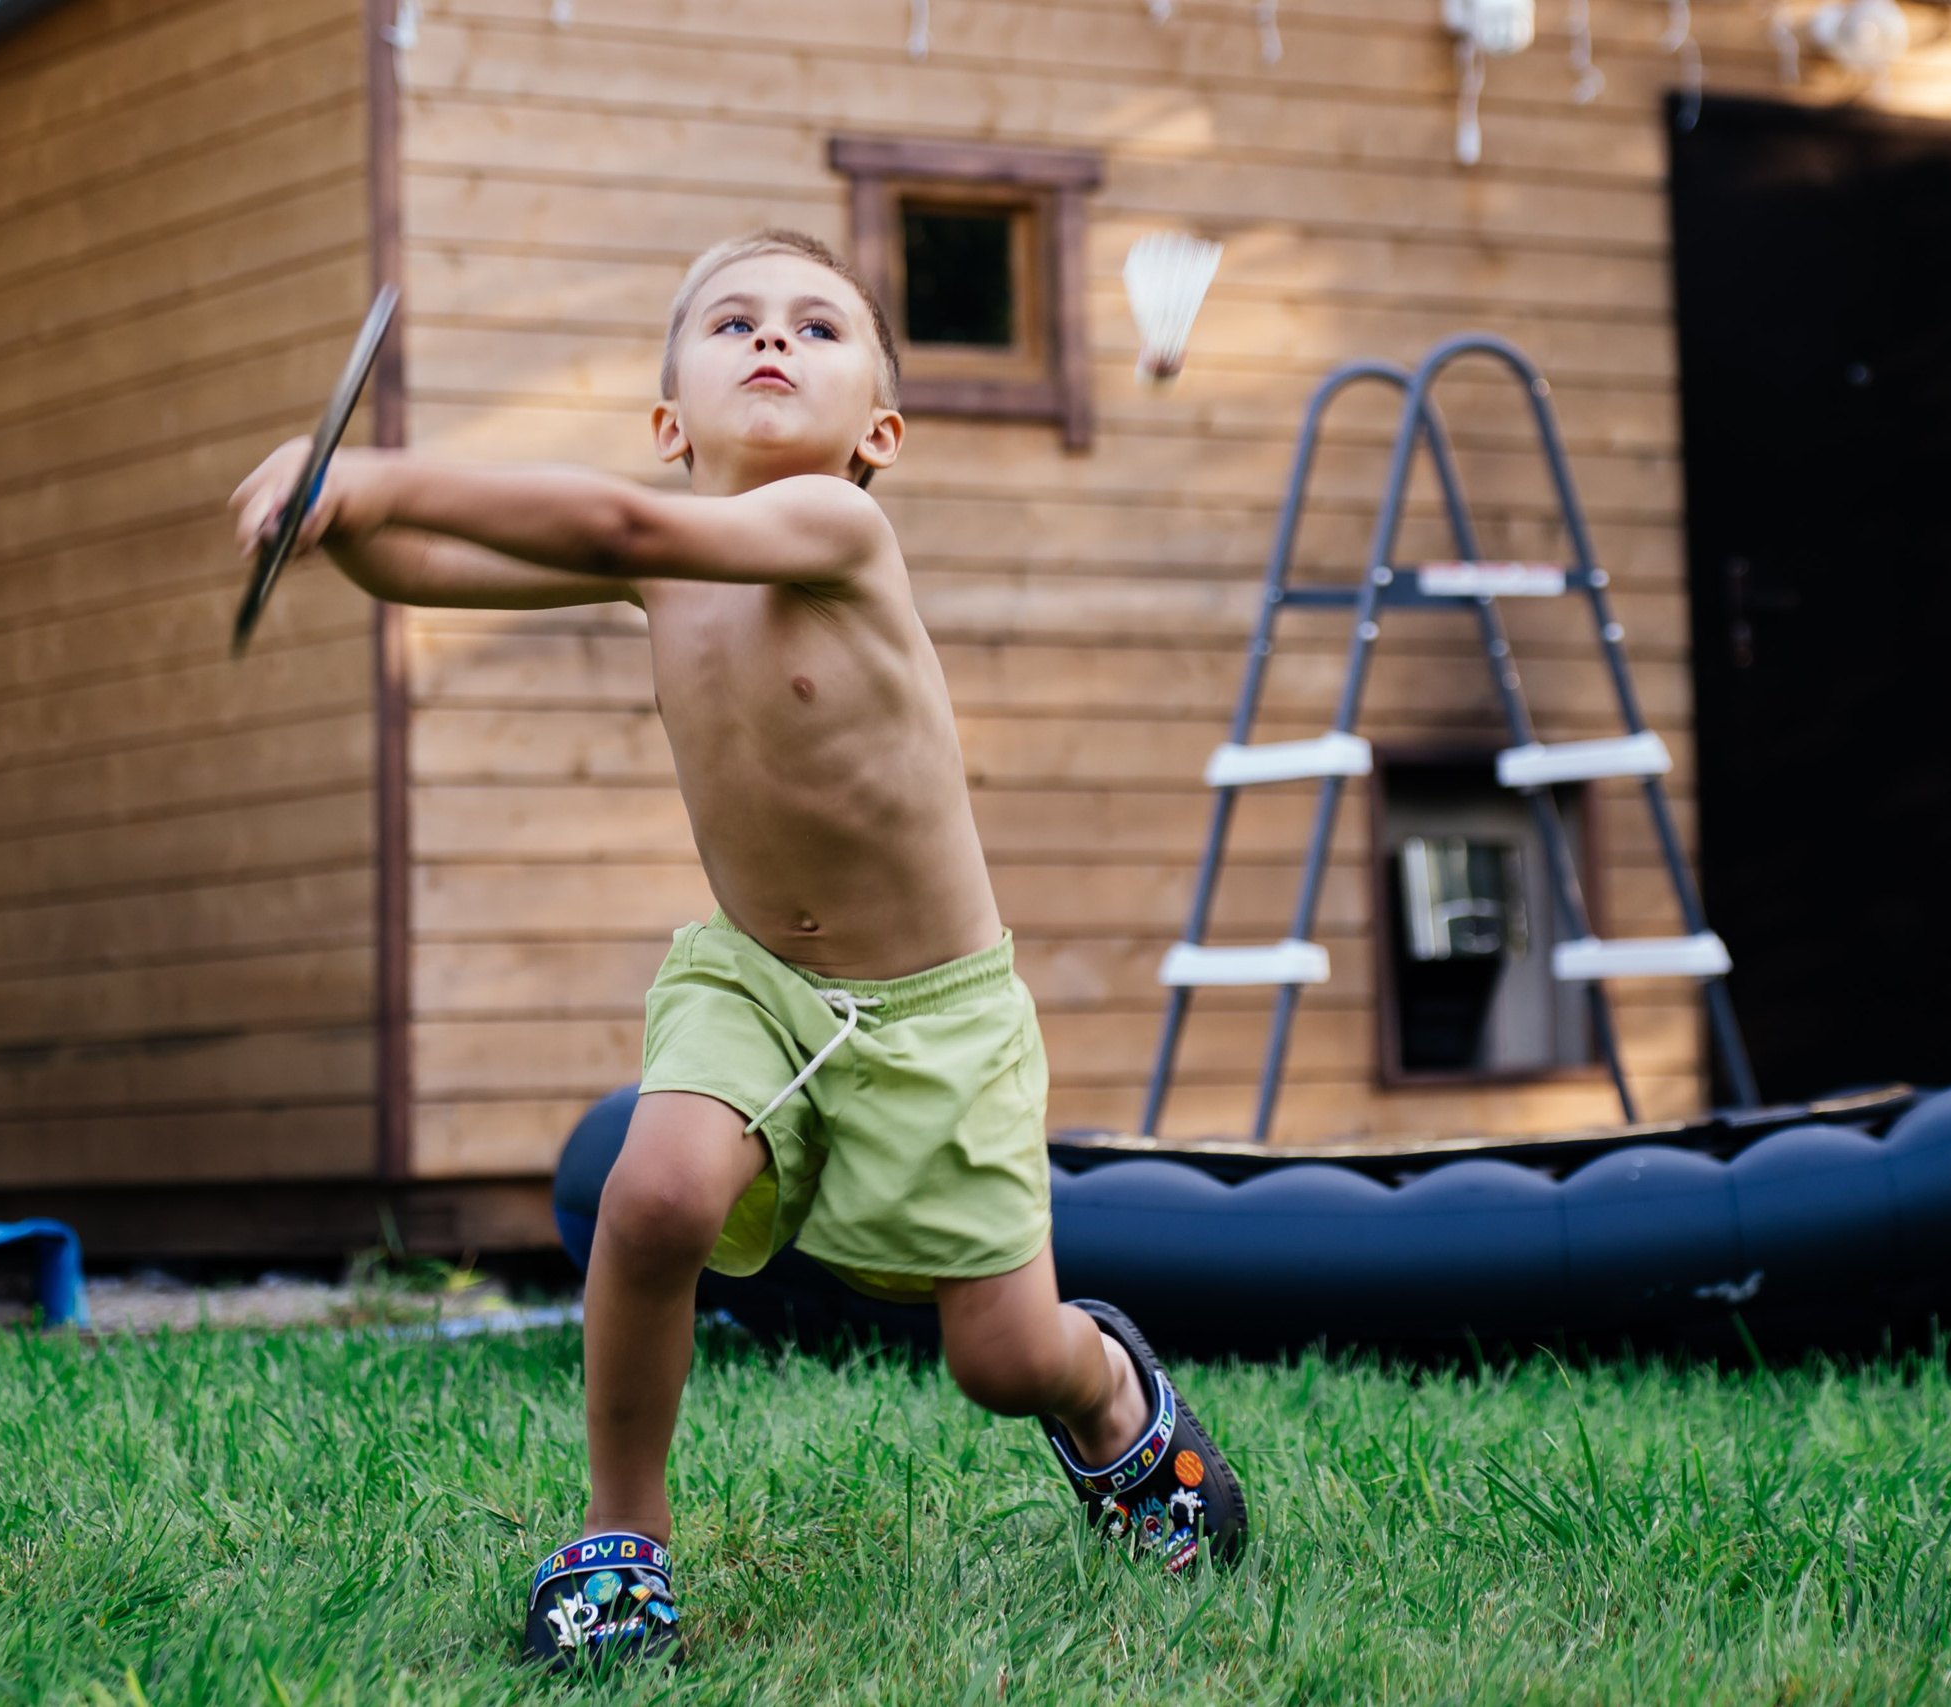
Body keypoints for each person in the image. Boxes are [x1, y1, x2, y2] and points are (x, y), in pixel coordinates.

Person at [231, 230, 1246, 1666]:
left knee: (996, 1359)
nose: (775, 340)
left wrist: (374, 473)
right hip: (754, 979)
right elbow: (420, 574)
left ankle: (1108, 1397)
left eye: (820, 329)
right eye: (734, 323)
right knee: (653, 1201)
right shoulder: (665, 572)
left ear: (878, 434)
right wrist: (329, 525)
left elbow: (615, 530)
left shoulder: (841, 533)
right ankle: (620, 1544)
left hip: (936, 1019)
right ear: (668, 420)